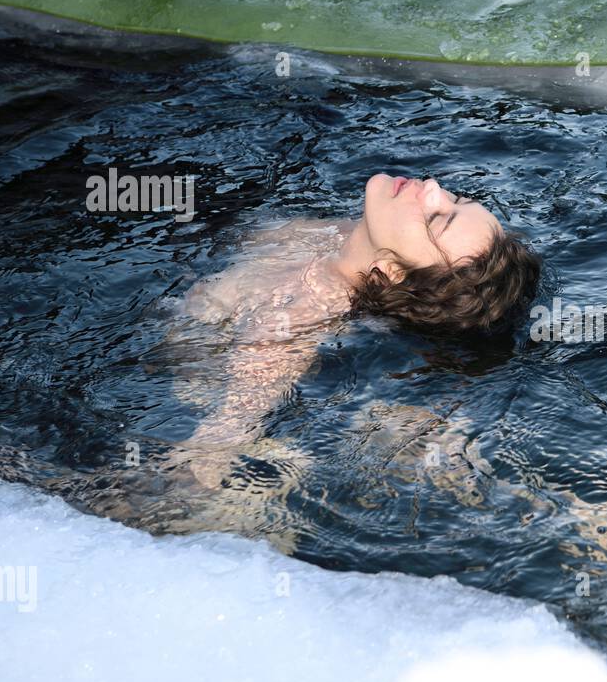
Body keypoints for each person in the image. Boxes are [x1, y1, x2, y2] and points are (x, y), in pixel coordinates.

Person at [163, 174, 540, 488]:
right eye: (456, 198)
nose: (434, 187)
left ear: (392, 271)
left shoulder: (294, 317)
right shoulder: (339, 235)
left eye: (435, 218)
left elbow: (227, 429)